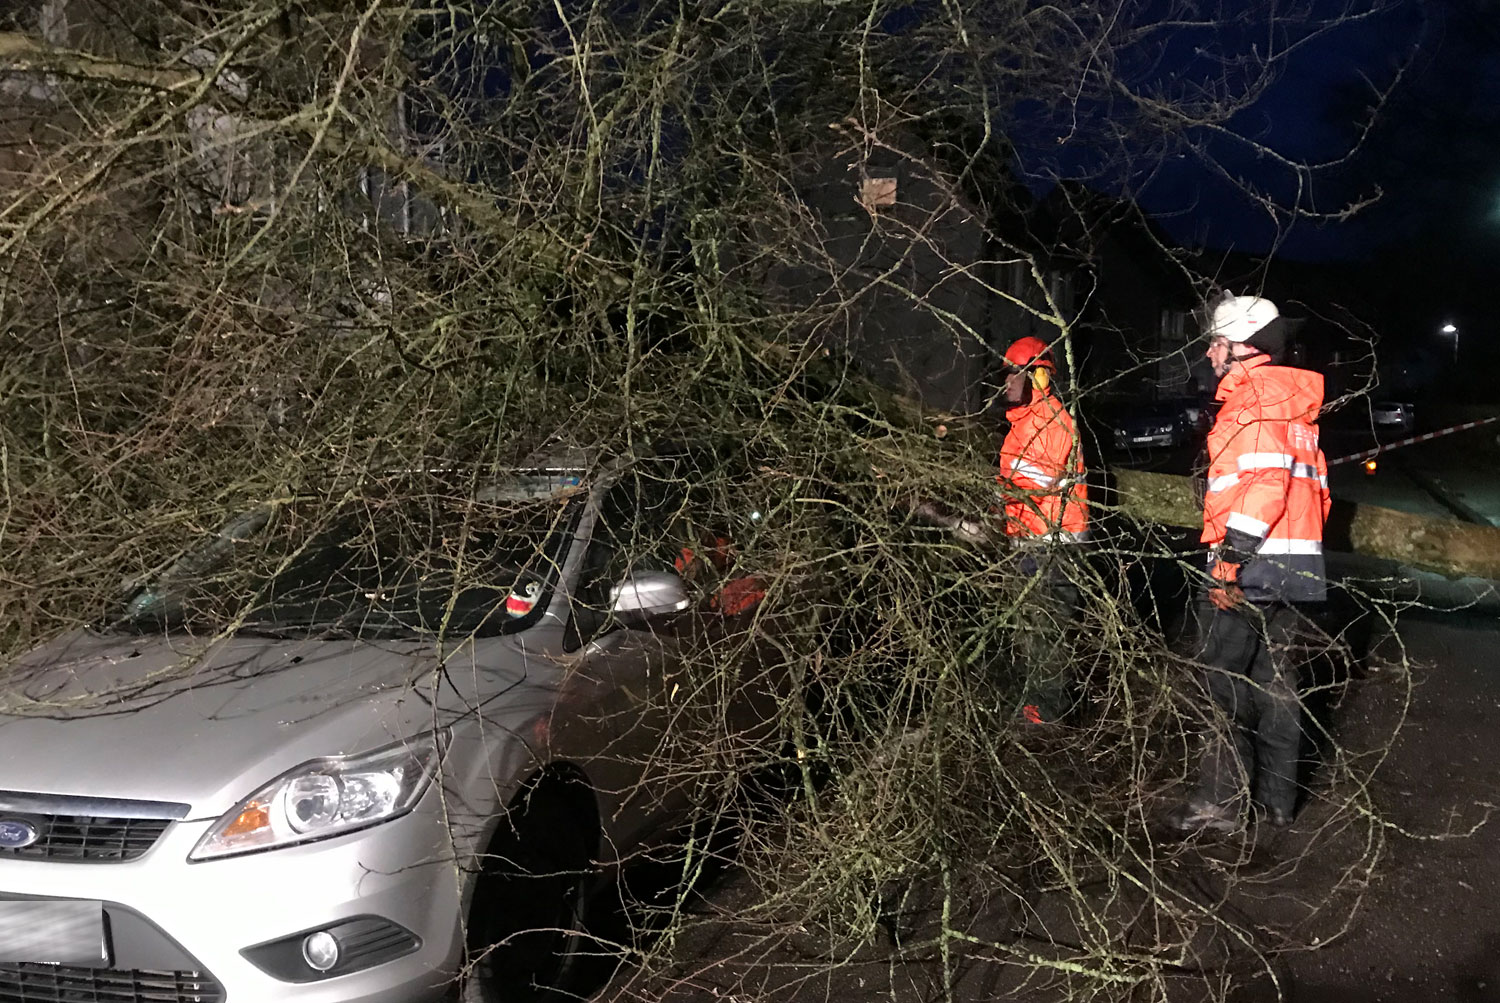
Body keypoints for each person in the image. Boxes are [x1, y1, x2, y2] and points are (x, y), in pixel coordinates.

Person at [1173, 294, 1331, 833]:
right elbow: (1318, 498)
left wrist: (1228, 562)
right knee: (1277, 685)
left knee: (1218, 683)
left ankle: (1221, 803)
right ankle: (1276, 804)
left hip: (1249, 566)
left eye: (1216, 342)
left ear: (1239, 347)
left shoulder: (1253, 400)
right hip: (1297, 569)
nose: (1210, 353)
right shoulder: (1296, 407)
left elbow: (1263, 485)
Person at [994, 335, 1089, 724]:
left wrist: (995, 493)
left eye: (1014, 375)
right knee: (1031, 633)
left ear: (1039, 378)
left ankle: (1042, 716)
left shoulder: (1052, 423)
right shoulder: (1023, 424)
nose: (1006, 384)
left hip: (1052, 546)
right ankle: (1033, 706)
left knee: (1046, 635)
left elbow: (1037, 482)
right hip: (1030, 539)